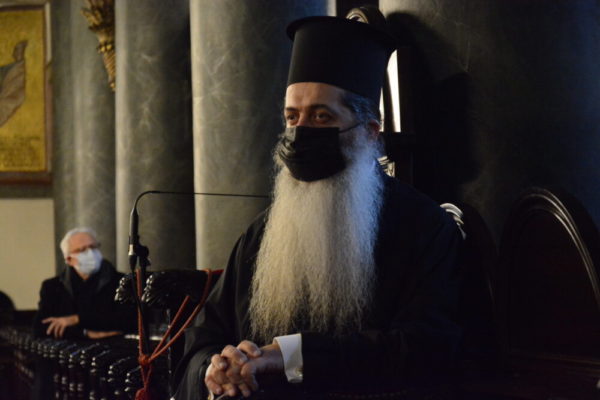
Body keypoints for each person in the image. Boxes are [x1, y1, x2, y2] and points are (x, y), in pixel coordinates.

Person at [174, 16, 462, 400]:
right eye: (292, 117)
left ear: (369, 132)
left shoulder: (421, 226)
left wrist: (290, 356)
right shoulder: (261, 234)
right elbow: (203, 338)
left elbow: (426, 347)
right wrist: (215, 369)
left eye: (321, 116)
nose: (300, 132)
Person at [32, 227, 136, 339]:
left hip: (115, 347)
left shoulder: (123, 282)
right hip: (70, 348)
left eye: (93, 247)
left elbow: (129, 321)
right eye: (82, 250)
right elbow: (41, 329)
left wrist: (77, 319)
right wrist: (86, 334)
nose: (90, 253)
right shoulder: (52, 287)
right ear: (69, 259)